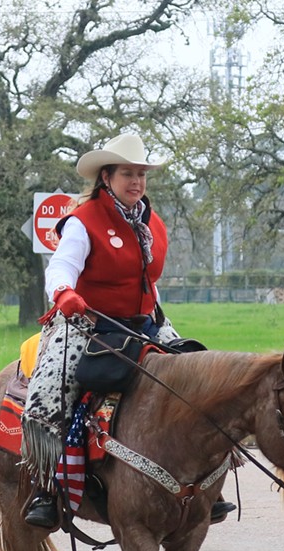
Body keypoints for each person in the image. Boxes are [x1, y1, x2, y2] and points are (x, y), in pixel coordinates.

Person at [20, 132, 235, 529]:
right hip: (86, 321)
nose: (135, 181)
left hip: (145, 322)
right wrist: (64, 293)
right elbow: (61, 267)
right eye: (126, 174)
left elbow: (145, 280)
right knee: (52, 390)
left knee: (199, 374)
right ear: (106, 177)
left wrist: (154, 314)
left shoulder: (153, 223)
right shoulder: (83, 222)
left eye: (141, 174)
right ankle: (46, 487)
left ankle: (210, 484)